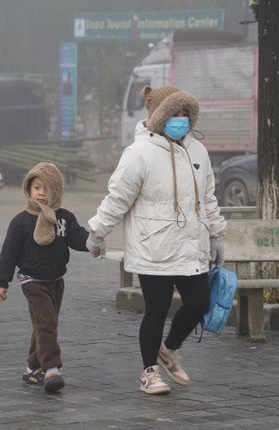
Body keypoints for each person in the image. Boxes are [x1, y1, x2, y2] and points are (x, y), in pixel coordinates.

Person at [86, 86, 226, 395]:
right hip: (153, 246)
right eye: (173, 113)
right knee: (156, 310)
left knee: (200, 302)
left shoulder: (197, 151)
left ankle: (170, 348)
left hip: (191, 245)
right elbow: (118, 197)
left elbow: (208, 197)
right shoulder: (139, 153)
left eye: (185, 113)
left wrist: (216, 234)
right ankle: (149, 372)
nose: (181, 120)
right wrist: (98, 231)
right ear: (158, 115)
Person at [0, 162, 97, 393]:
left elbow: (77, 237)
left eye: (46, 188)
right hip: (32, 279)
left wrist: (91, 244)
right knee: (47, 322)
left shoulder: (64, 218)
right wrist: (2, 282)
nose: (41, 193)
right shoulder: (21, 221)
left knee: (44, 324)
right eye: (36, 187)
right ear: (28, 189)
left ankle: (32, 369)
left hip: (56, 279)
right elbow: (8, 252)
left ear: (56, 191)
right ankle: (51, 369)